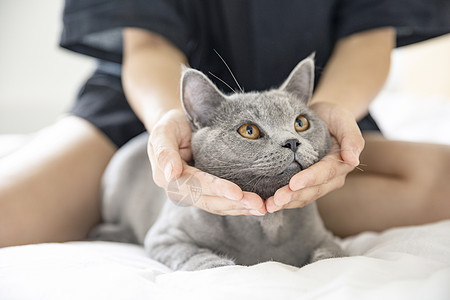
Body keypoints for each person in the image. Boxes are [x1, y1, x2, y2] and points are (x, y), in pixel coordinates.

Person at [1, 0, 449, 247]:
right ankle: (140, 205)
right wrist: (168, 122)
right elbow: (148, 43)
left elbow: (369, 39)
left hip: (311, 108)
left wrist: (326, 112)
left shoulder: (310, 118)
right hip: (158, 105)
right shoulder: (172, 113)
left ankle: (271, 212)